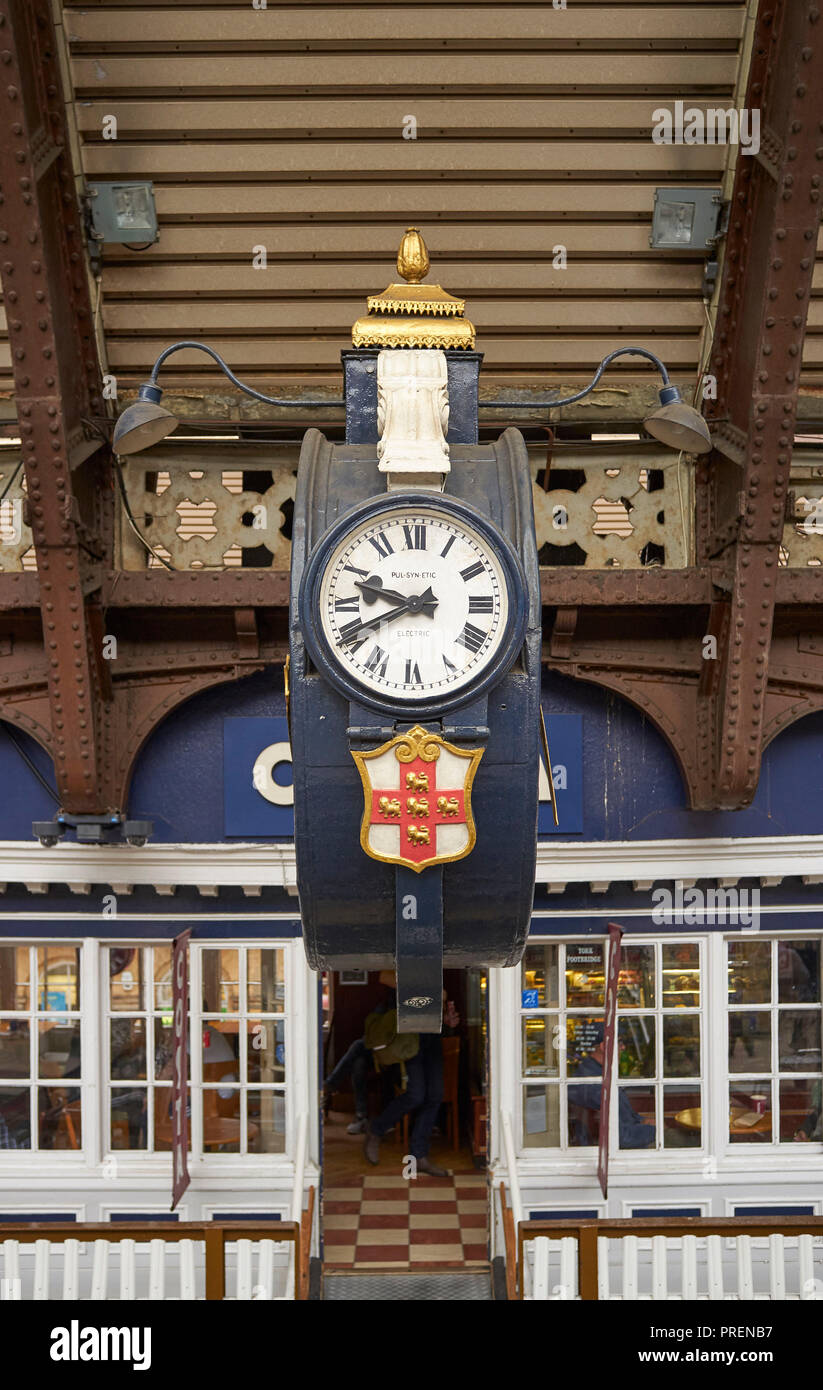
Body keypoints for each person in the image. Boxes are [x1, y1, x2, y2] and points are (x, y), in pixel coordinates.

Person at [363, 986, 459, 1177]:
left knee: (435, 1095)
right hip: (409, 1037)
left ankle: (419, 1156)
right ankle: (376, 1129)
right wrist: (435, 994)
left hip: (432, 1036)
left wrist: (446, 1021)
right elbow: (386, 979)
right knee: (416, 1095)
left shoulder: (432, 964)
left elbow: (440, 997)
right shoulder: (402, 962)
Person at [567, 1021, 656, 1149]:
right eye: (619, 1042)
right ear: (604, 1046)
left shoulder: (595, 1073)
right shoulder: (597, 1085)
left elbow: (625, 1119)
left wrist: (642, 1121)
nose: (623, 1047)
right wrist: (656, 1131)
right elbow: (622, 1138)